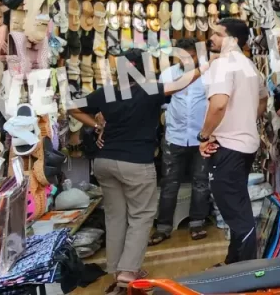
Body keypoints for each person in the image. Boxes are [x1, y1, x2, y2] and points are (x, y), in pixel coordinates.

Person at [69, 49, 204, 290]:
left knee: (115, 216)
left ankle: (117, 268)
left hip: (104, 162)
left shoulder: (108, 91)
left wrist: (98, 125)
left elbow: (72, 108)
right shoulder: (149, 90)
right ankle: (129, 271)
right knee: (141, 216)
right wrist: (207, 65)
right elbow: (182, 82)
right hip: (136, 163)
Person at [198, 18, 268, 265]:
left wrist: (204, 135)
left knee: (237, 215)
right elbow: (263, 99)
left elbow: (218, 104)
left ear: (233, 40)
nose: (212, 38)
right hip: (245, 145)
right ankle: (233, 263)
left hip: (228, 147)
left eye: (217, 34)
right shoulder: (249, 66)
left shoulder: (223, 64)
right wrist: (246, 119)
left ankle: (247, 271)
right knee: (238, 207)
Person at [150, 39, 211, 245]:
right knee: (169, 183)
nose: (188, 60)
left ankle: (197, 222)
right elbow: (162, 103)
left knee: (201, 181)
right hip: (174, 136)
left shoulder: (207, 75)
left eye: (192, 56)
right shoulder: (168, 75)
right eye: (184, 56)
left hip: (201, 137)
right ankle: (164, 227)